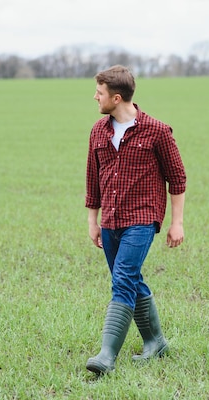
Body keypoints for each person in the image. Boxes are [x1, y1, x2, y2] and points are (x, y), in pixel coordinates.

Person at [85, 65, 186, 375]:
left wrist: (176, 222)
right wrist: (93, 220)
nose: (95, 97)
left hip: (142, 218)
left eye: (99, 93)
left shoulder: (157, 131)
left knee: (123, 279)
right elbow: (93, 179)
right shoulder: (98, 131)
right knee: (129, 279)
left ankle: (106, 356)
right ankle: (155, 341)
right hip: (111, 219)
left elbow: (177, 178)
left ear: (116, 98)